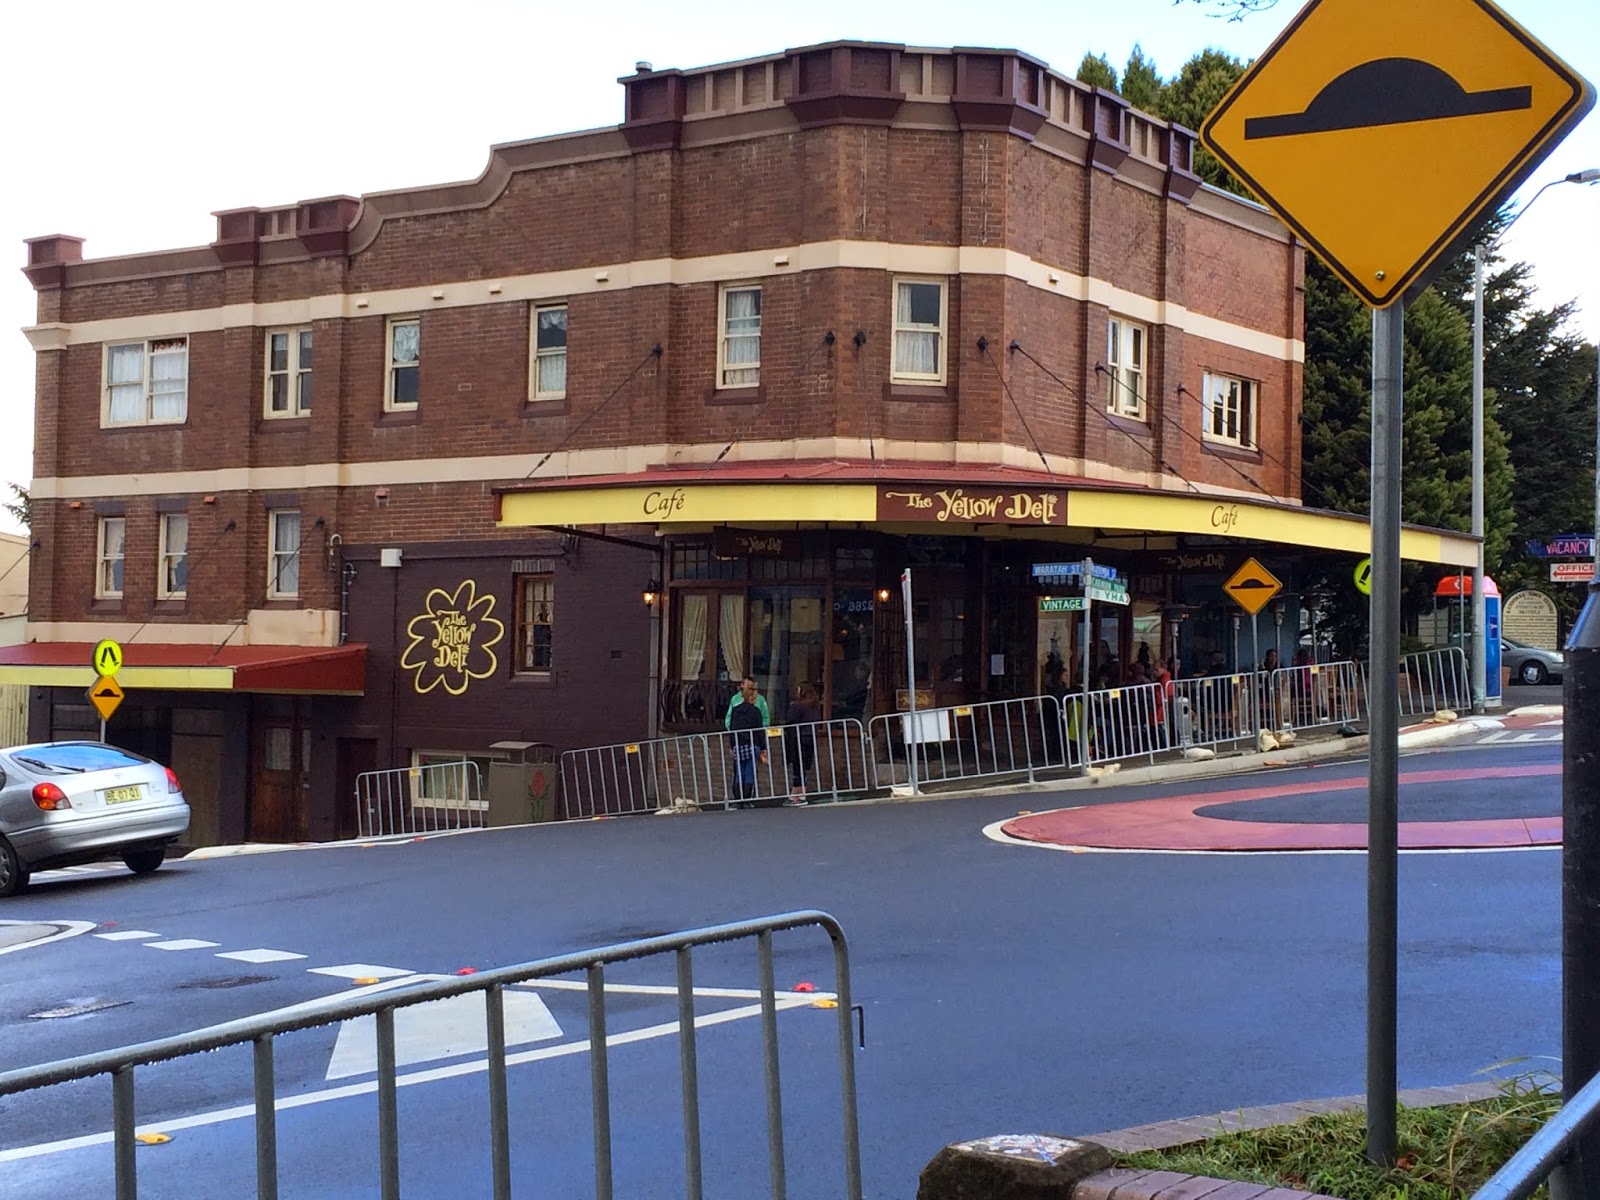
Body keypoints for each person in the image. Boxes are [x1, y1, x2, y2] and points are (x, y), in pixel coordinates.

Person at [726, 685, 768, 808]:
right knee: (750, 771)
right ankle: (747, 799)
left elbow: (732, 729)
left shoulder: (735, 710)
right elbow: (760, 730)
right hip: (752, 744)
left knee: (738, 772)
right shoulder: (756, 712)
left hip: (738, 744)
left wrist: (732, 745)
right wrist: (763, 747)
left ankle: (738, 799)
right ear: (752, 697)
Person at [784, 682, 821, 806]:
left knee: (797, 766)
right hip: (810, 737)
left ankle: (798, 795)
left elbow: (790, 720)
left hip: (798, 737)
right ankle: (798, 793)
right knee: (803, 766)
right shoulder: (814, 706)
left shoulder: (797, 706)